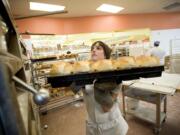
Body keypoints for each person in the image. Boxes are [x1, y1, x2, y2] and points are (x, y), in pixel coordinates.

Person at [71, 41, 128, 135]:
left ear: (105, 55)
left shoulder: (114, 77)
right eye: (92, 48)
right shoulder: (85, 72)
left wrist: (98, 83)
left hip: (111, 125)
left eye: (98, 48)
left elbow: (106, 107)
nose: (94, 50)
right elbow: (72, 90)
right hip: (92, 125)